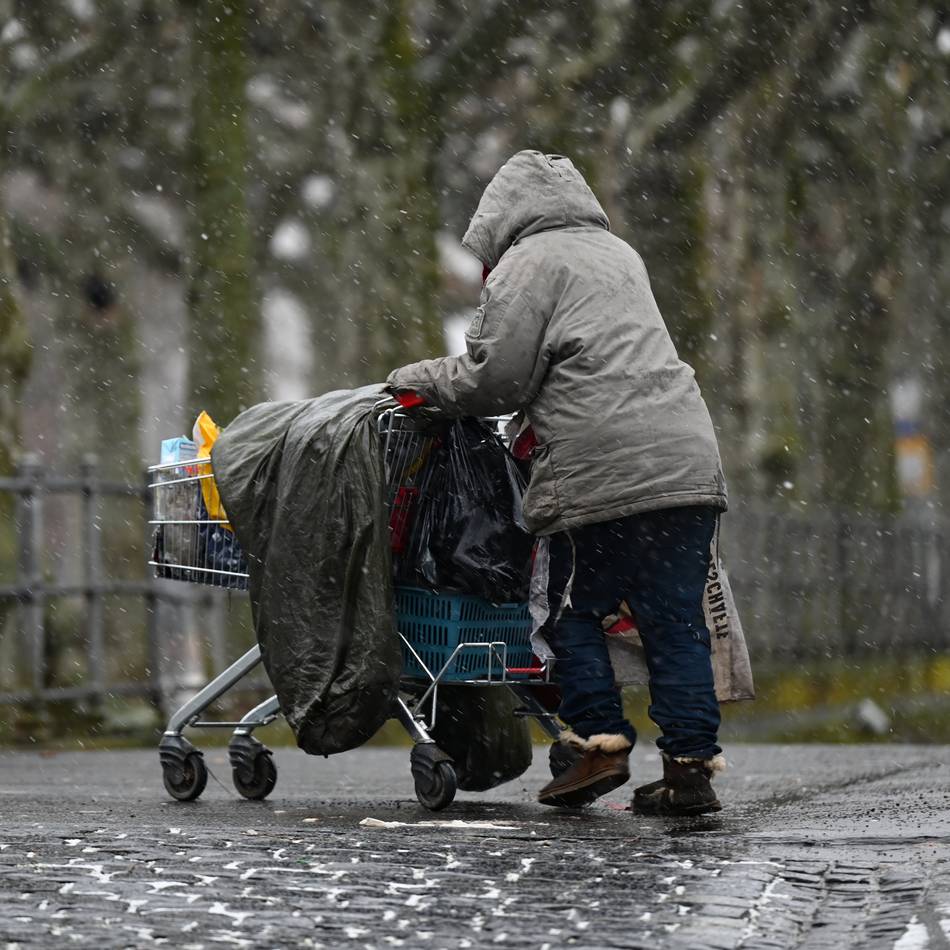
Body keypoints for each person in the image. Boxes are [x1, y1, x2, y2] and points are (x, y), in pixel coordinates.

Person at [387, 150, 727, 814]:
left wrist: (415, 379)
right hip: (687, 462)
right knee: (674, 624)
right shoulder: (618, 254)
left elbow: (496, 380)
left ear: (501, 220)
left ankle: (598, 745)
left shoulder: (527, 263)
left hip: (600, 468)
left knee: (569, 611)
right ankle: (689, 771)